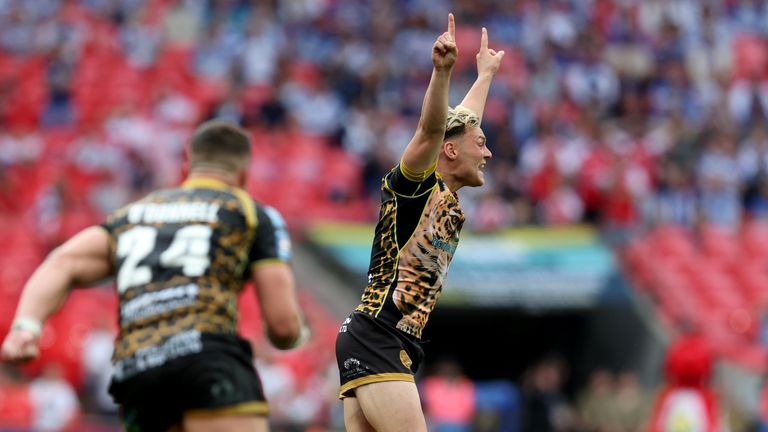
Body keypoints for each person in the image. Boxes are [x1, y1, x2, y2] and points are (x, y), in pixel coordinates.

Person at [1, 120, 309, 432]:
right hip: (207, 361)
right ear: (243, 173)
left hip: (139, 370)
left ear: (188, 165)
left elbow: (62, 262)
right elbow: (282, 325)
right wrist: (294, 337)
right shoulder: (250, 213)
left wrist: (26, 326)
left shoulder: (135, 214)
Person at [335, 13, 505, 432]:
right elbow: (433, 131)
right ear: (449, 152)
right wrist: (442, 72)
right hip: (380, 334)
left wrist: (484, 76)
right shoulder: (414, 187)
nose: (487, 154)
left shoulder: (445, 188)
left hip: (382, 336)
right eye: (480, 146)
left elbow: (459, 125)